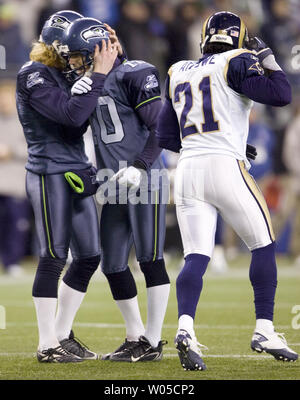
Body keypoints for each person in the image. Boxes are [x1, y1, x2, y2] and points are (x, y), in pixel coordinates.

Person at [157, 11, 298, 371]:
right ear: (239, 37)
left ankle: (185, 327)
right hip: (224, 166)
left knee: (196, 255)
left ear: (204, 37)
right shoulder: (237, 59)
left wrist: (226, 141)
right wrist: (266, 56)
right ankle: (264, 328)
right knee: (263, 244)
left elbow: (166, 137)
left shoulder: (178, 70)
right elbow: (281, 94)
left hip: (188, 170)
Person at [61, 18, 170, 362]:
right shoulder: (88, 84)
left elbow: (161, 127)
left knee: (150, 258)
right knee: (111, 264)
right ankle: (135, 335)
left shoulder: (136, 73)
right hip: (112, 182)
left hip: (145, 177)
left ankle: (152, 342)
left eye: (78, 56)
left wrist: (140, 167)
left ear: (96, 51)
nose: (73, 63)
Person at [16, 10, 118, 363]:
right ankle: (47, 345)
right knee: (53, 256)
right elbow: (72, 117)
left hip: (77, 170)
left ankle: (62, 334)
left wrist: (109, 57)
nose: (77, 58)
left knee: (89, 255)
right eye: (72, 51)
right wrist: (97, 76)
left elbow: (81, 121)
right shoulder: (33, 75)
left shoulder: (69, 72)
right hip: (48, 172)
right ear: (56, 45)